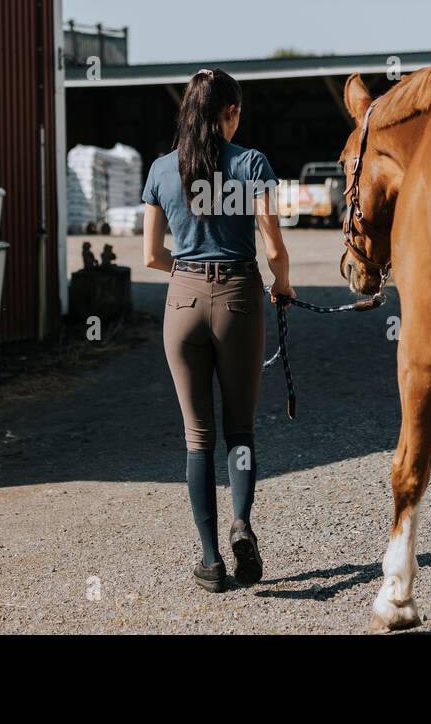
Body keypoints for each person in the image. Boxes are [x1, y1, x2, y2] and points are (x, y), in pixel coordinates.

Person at [142, 67, 296, 592]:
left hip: (182, 300)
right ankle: (241, 524)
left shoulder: (162, 169)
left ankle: (210, 560)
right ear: (229, 114)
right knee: (241, 431)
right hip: (238, 299)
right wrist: (284, 285)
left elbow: (150, 256)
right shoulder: (250, 163)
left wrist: (188, 269)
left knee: (197, 437)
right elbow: (273, 247)